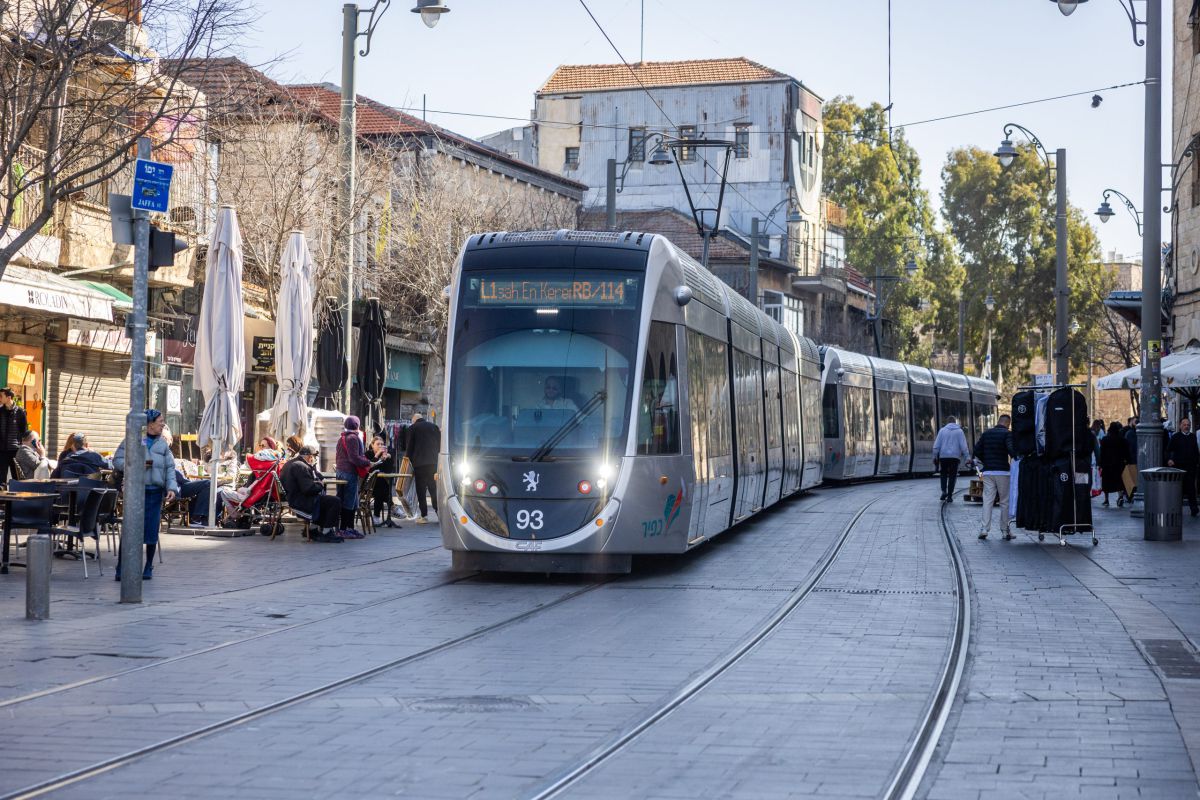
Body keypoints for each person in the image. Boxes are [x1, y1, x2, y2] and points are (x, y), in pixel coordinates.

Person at [112, 409, 178, 580]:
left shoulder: (162, 444)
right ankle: (121, 568)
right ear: (149, 424)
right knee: (129, 530)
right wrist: (135, 464)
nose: (163, 424)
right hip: (135, 493)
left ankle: (148, 566)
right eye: (160, 421)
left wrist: (171, 488)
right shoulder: (133, 439)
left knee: (151, 530)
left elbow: (170, 468)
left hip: (155, 493)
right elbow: (117, 460)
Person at [281, 445, 343, 543]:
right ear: (310, 457)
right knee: (335, 501)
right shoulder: (301, 466)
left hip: (294, 498)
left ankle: (312, 529)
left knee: (325, 500)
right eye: (313, 457)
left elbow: (318, 477)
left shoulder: (291, 463)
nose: (314, 459)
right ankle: (327, 532)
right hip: (300, 501)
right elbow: (308, 489)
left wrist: (313, 468)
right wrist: (320, 485)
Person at [973, 414, 1015, 540]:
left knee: (987, 500)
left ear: (998, 421)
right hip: (1003, 472)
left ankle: (984, 529)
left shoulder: (986, 434)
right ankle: (1005, 530)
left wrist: (986, 461)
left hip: (988, 472)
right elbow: (1011, 451)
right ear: (1008, 423)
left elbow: (977, 450)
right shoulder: (1007, 434)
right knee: (1004, 502)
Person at [334, 416, 371, 538]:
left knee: (348, 500)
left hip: (340, 471)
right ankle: (345, 529)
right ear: (357, 425)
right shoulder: (353, 438)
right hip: (349, 472)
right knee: (349, 501)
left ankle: (347, 528)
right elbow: (354, 457)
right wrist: (367, 462)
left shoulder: (342, 437)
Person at [406, 412, 440, 523]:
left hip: (419, 464)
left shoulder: (413, 428)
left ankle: (424, 516)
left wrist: (407, 460)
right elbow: (440, 444)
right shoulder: (434, 427)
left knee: (421, 490)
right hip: (434, 463)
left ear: (414, 420)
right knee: (433, 488)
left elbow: (410, 446)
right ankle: (438, 512)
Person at [1166, 417, 1200, 517]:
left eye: (1188, 425)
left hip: (1191, 467)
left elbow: (1196, 451)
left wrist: (1196, 463)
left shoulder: (1193, 437)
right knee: (1178, 489)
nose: (1186, 427)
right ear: (1180, 425)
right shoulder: (1175, 437)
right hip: (1178, 467)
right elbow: (1168, 450)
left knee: (1191, 489)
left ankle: (1194, 508)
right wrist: (1169, 459)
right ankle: (1176, 509)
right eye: (1184, 425)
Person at [933, 415, 970, 503]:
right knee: (953, 476)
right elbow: (964, 446)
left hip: (943, 457)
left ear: (947, 422)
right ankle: (950, 495)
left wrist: (935, 456)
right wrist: (967, 457)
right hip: (955, 457)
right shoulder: (960, 431)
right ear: (955, 422)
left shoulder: (942, 431)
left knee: (943, 474)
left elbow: (936, 446)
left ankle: (943, 491)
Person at [0, 387, 29, 484]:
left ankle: (16, 498)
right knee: (1, 480)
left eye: (1, 396)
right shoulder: (0, 411)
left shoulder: (20, 412)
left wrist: (19, 443)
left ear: (8, 398)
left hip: (15, 451)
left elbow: (24, 431)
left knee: (16, 478)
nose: (0, 398)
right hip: (1, 451)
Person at [368, 434, 397, 526]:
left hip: (378, 485)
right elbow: (370, 469)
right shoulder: (368, 454)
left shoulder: (385, 455)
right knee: (382, 486)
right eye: (378, 444)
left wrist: (388, 458)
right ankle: (392, 506)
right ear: (372, 445)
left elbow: (388, 471)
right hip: (368, 485)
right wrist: (376, 456)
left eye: (382, 444)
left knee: (381, 487)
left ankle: (376, 516)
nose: (380, 446)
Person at [1099, 420, 1129, 507]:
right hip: (1119, 464)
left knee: (1106, 483)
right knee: (1119, 482)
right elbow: (1126, 452)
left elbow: (1102, 453)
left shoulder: (1105, 440)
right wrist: (1128, 461)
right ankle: (1120, 497)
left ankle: (1106, 500)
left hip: (1107, 465)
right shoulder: (1122, 440)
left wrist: (1100, 464)